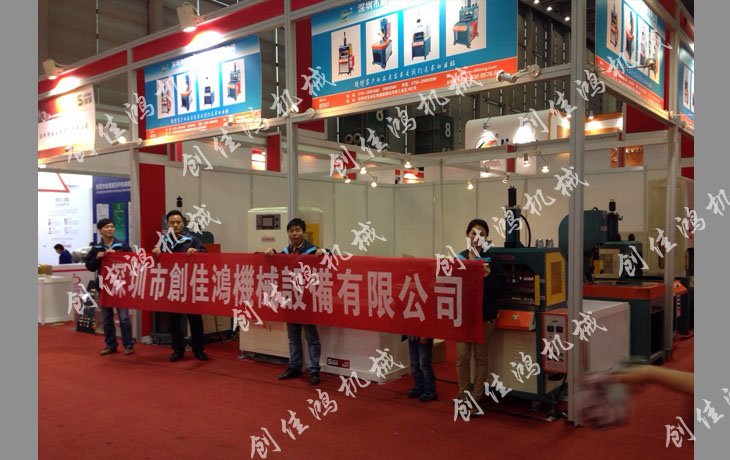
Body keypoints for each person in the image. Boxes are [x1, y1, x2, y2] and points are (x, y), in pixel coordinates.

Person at [264, 218, 326, 385]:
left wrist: (325, 252)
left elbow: (330, 256)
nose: (294, 234)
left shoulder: (313, 251)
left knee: (312, 337)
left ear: (303, 232)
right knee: (293, 336)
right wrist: (272, 252)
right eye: (291, 231)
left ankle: (314, 369)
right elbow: (276, 261)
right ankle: (295, 366)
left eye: (297, 230)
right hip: (290, 300)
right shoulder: (285, 252)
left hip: (306, 300)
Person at [454, 219, 504, 414]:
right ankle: (462, 396)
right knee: (462, 357)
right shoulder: (459, 258)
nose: (477, 237)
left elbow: (499, 288)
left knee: (481, 357)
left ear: (486, 238)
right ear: (467, 235)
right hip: (463, 317)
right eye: (473, 233)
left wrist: (488, 276)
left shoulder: (491, 260)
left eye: (481, 234)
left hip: (485, 316)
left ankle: (476, 397)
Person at [152, 210, 208, 362]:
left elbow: (205, 256)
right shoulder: (162, 241)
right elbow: (155, 261)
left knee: (195, 320)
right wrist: (155, 252)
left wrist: (197, 252)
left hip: (190, 286)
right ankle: (178, 350)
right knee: (174, 321)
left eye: (178, 222)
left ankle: (198, 349)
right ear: (167, 224)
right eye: (172, 222)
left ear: (183, 224)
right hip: (172, 287)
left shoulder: (192, 240)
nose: (175, 225)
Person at [84, 218, 135, 356]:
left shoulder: (122, 245)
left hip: (120, 287)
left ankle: (128, 344)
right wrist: (97, 257)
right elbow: (89, 266)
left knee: (124, 318)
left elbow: (133, 261)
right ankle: (110, 345)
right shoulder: (96, 248)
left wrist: (117, 256)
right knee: (107, 318)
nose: (110, 229)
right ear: (100, 230)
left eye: (112, 226)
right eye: (107, 227)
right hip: (103, 287)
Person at [406, 335, 437, 402]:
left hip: (423, 334)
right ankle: (419, 387)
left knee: (424, 365)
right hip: (411, 336)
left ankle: (430, 390)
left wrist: (425, 334)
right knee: (415, 363)